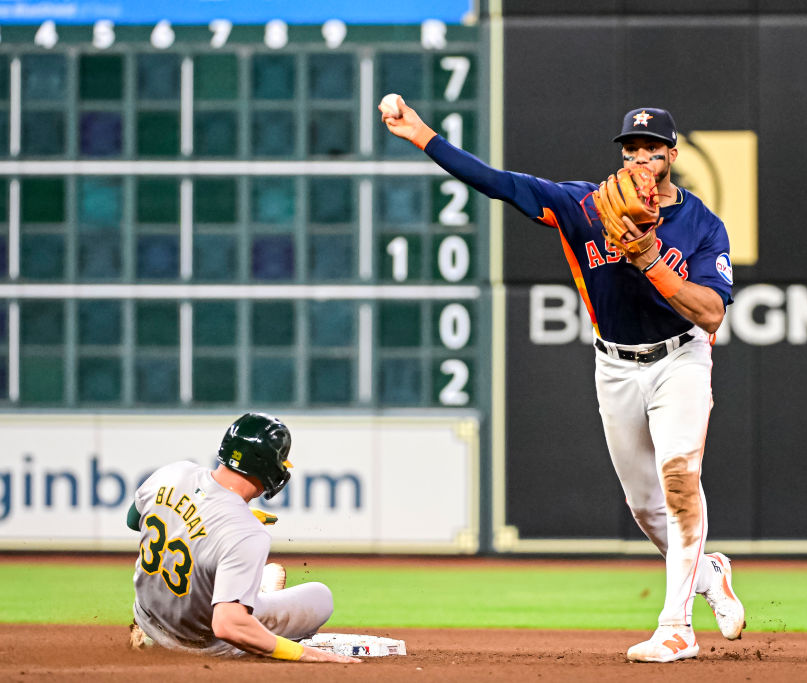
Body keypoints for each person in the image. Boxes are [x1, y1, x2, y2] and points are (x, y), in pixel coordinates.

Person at [382, 98, 745, 662]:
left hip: (681, 360)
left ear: (673, 155)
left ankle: (676, 627)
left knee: (679, 480)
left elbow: (711, 313)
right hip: (615, 365)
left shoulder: (702, 224)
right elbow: (498, 183)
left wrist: (650, 258)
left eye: (653, 149)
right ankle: (708, 572)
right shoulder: (583, 205)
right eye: (632, 149)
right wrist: (423, 135)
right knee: (645, 505)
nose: (641, 158)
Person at [126, 412, 359, 663]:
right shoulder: (247, 532)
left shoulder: (173, 473)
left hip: (147, 621)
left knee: (209, 565)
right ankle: (256, 594)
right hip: (200, 646)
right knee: (320, 596)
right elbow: (228, 626)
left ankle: (152, 635)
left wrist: (205, 523)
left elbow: (132, 521)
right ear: (267, 465)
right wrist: (303, 653)